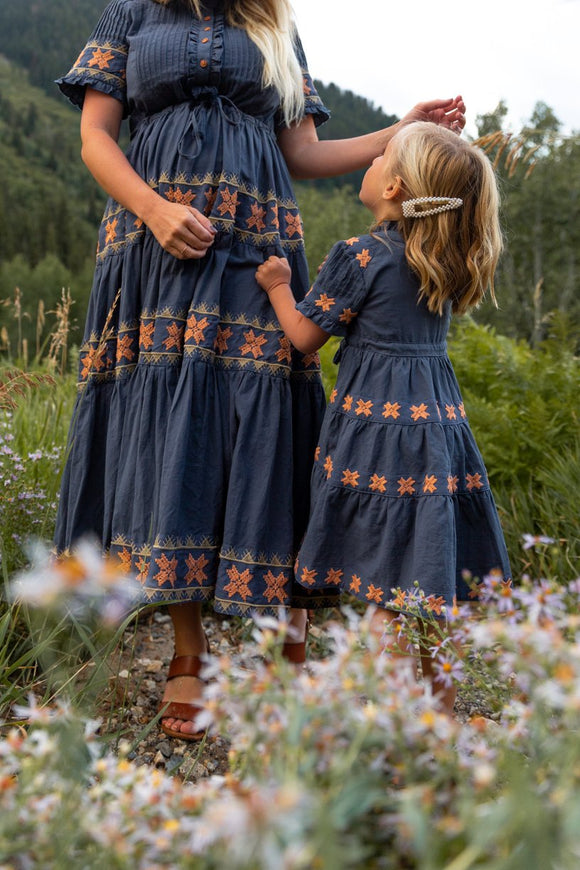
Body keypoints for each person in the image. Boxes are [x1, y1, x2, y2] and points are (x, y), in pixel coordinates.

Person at [55, 0, 467, 739]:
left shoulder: (275, 24)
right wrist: (151, 209)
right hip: (153, 245)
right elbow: (94, 136)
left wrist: (402, 129)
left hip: (257, 237)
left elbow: (303, 154)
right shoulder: (130, 12)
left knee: (268, 415)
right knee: (166, 419)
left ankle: (283, 625)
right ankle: (190, 651)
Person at [256, 121, 511, 715]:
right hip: (438, 433)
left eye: (379, 157)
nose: (367, 163)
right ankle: (440, 723)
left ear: (394, 186)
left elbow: (302, 339)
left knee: (382, 592)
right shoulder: (442, 260)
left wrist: (277, 286)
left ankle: (392, 735)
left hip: (378, 437)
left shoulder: (360, 255)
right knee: (420, 590)